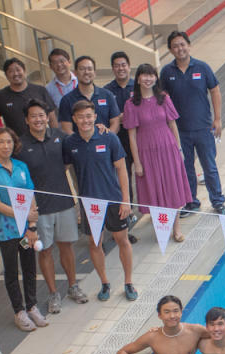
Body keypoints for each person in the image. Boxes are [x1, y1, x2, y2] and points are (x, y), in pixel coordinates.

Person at [16, 99, 88, 313]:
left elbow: (81, 143)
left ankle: (73, 286)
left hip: (64, 202)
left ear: (47, 117)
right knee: (45, 250)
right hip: (39, 209)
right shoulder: (20, 145)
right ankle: (53, 292)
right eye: (33, 116)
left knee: (67, 247)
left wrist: (100, 129)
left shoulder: (59, 137)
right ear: (27, 120)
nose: (38, 119)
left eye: (41, 115)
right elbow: (7, 162)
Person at [63, 99, 136, 302]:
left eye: (89, 116)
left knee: (122, 240)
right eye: (81, 117)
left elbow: (122, 169)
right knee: (95, 244)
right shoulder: (70, 143)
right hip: (90, 204)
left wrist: (126, 200)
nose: (85, 120)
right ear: (74, 119)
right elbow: (63, 170)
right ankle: (104, 283)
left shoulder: (109, 138)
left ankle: (128, 282)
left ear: (95, 117)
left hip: (113, 200)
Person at [0, 127, 46, 332]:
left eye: (9, 142)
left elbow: (31, 196)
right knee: (11, 272)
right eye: (1, 142)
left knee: (29, 268)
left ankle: (32, 306)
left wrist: (32, 225)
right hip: (6, 231)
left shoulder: (21, 166)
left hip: (26, 229)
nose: (6, 146)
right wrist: (24, 215)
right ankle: (19, 311)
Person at [160, 30, 225, 214]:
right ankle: (191, 202)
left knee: (209, 167)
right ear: (170, 50)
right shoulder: (167, 72)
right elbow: (162, 98)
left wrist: (218, 119)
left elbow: (215, 90)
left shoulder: (202, 67)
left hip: (203, 127)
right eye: (175, 46)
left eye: (182, 44)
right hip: (180, 131)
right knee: (186, 167)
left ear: (188, 45)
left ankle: (217, 201)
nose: (180, 48)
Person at [124, 62, 192, 242]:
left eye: (151, 75)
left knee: (172, 187)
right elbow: (131, 136)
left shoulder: (163, 98)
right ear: (138, 78)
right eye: (144, 75)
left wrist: (178, 149)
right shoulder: (131, 104)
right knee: (153, 189)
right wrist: (137, 162)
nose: (148, 79)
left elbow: (173, 124)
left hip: (167, 149)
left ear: (156, 78)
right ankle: (162, 228)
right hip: (146, 152)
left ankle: (176, 228)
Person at [104, 50, 139, 246]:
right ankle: (125, 226)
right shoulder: (108, 91)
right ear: (112, 68)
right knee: (124, 186)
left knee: (144, 179)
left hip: (140, 141)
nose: (120, 68)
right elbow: (110, 118)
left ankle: (159, 216)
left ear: (129, 66)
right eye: (116, 65)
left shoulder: (139, 86)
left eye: (123, 64)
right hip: (119, 144)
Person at [0, 58, 56, 137]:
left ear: (25, 71)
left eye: (18, 70)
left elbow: (52, 117)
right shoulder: (0, 96)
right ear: (6, 75)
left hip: (42, 140)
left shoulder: (40, 90)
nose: (15, 74)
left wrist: (55, 137)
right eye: (11, 71)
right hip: (16, 143)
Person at [58, 56, 120, 135]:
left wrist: (106, 139)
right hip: (80, 146)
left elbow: (115, 123)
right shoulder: (66, 100)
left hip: (105, 145)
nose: (86, 72)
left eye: (90, 69)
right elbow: (66, 129)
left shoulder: (107, 95)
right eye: (82, 69)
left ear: (94, 73)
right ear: (75, 73)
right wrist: (85, 143)